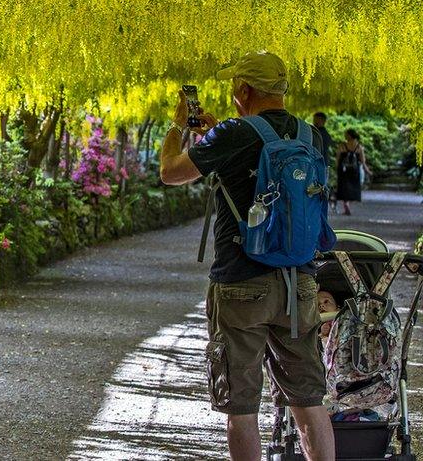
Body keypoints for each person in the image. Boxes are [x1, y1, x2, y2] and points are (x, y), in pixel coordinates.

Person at [159, 50, 335, 461]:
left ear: (243, 89)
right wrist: (220, 133)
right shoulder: (312, 136)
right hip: (300, 283)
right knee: (308, 398)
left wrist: (176, 123)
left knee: (241, 407)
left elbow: (170, 172)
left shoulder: (234, 135)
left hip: (240, 283)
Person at [335, 128, 371, 216]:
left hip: (343, 170)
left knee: (344, 188)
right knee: (353, 189)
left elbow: (338, 158)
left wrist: (337, 168)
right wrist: (368, 171)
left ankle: (345, 203)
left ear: (350, 135)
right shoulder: (359, 147)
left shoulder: (342, 145)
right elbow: (363, 161)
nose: (345, 136)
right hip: (355, 171)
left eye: (346, 134)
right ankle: (348, 204)